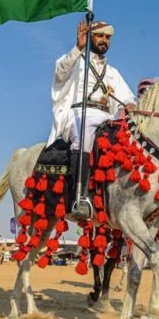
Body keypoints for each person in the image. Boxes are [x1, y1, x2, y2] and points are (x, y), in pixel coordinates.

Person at [48, 21, 136, 217]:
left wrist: (130, 104)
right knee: (85, 135)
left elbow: (127, 95)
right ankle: (79, 197)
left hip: (106, 117)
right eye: (99, 36)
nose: (104, 40)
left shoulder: (112, 72)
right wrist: (78, 47)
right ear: (90, 37)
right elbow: (60, 72)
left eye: (107, 37)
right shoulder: (76, 63)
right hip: (80, 114)